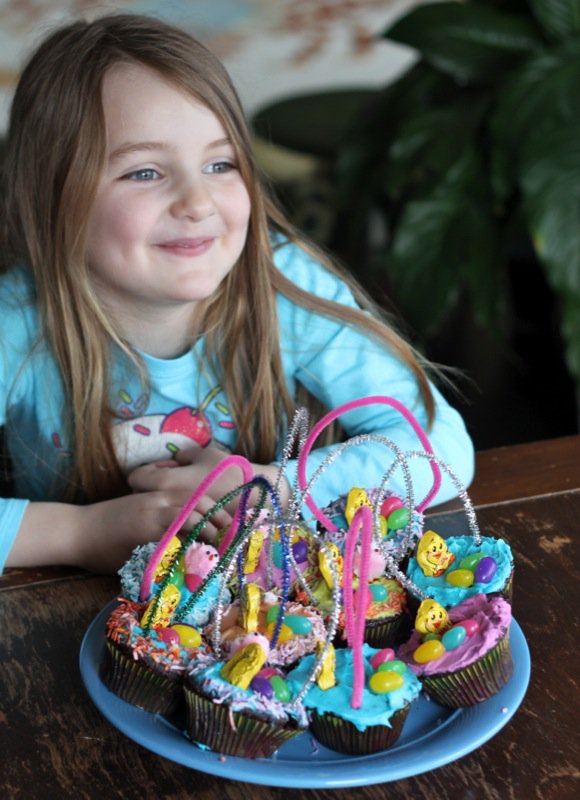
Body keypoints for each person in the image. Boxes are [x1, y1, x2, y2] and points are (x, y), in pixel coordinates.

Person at [0, 13, 474, 575]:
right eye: (145, 172)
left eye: (220, 163)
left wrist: (269, 486)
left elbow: (442, 445)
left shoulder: (283, 286)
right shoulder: (17, 322)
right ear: (54, 196)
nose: (198, 203)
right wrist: (82, 533)